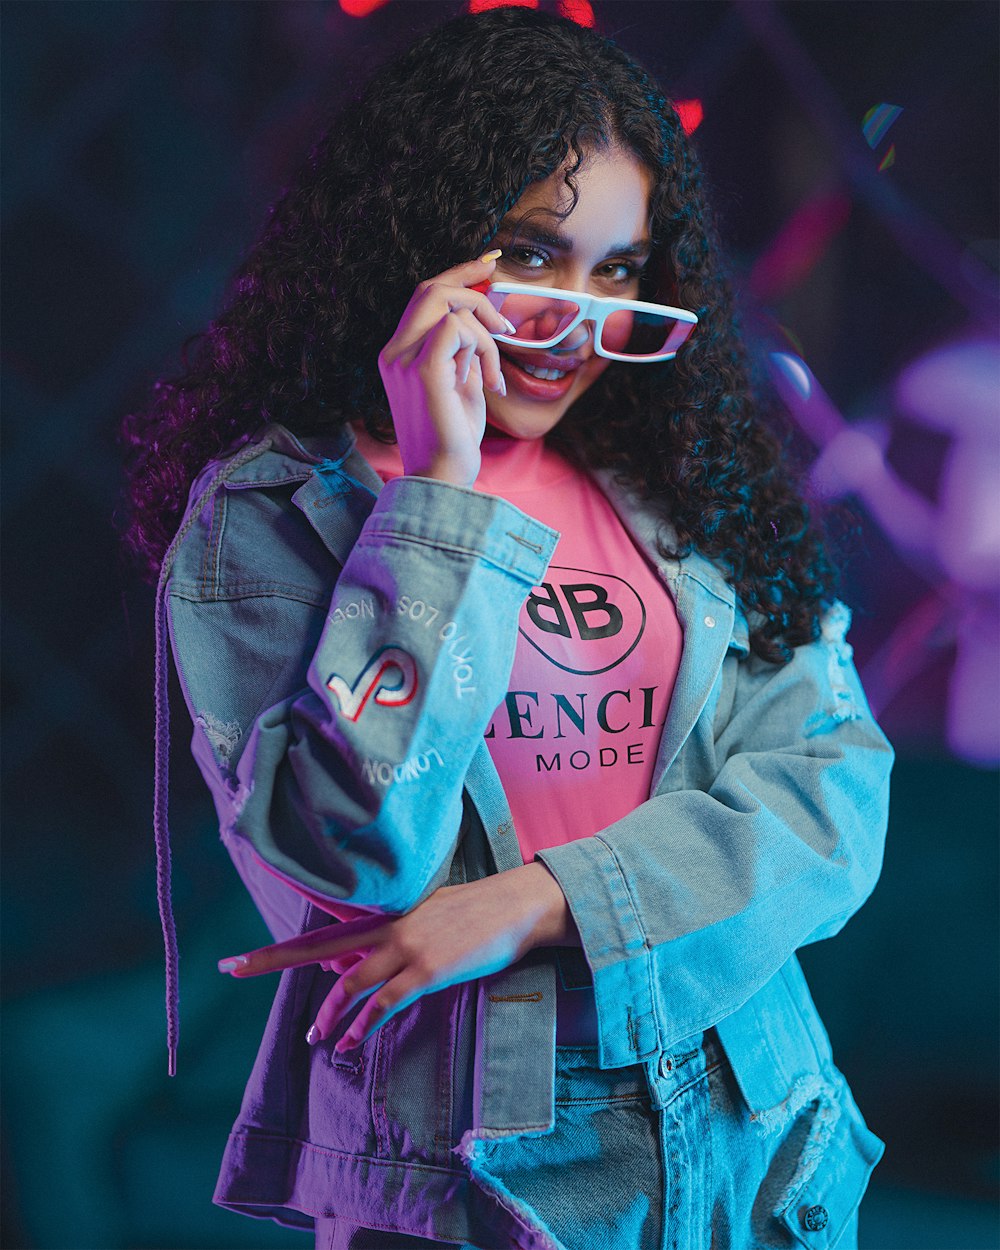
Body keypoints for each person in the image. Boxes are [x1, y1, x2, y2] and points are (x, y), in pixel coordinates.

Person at [123, 8, 893, 1249]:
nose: (576, 322)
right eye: (531, 255)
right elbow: (346, 858)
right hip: (473, 1157)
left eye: (620, 272)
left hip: (757, 1116)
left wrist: (532, 901)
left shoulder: (680, 488)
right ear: (423, 237)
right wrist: (437, 492)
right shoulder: (270, 514)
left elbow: (835, 798)